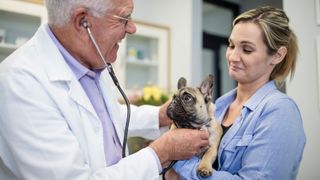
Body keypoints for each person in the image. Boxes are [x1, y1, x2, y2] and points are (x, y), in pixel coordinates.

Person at [0, 0, 210, 179]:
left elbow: (104, 117)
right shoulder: (20, 83)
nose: (132, 28)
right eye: (123, 18)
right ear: (83, 22)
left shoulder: (89, 61)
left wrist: (160, 115)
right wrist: (160, 153)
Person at [172, 6, 306, 180]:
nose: (233, 57)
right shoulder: (219, 106)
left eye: (247, 49)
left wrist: (179, 164)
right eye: (231, 45)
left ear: (277, 56)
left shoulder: (281, 112)